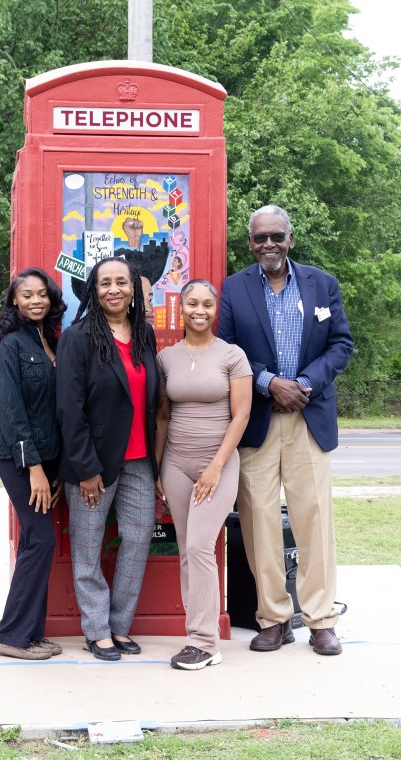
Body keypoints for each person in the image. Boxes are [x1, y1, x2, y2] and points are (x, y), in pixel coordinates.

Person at [217, 204, 354, 656]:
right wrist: (269, 383)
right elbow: (227, 348)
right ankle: (273, 618)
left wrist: (306, 384)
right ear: (251, 243)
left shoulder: (322, 283)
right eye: (261, 238)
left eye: (277, 236)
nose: (269, 245)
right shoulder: (234, 289)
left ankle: (320, 619)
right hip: (256, 418)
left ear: (290, 239)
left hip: (309, 418)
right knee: (258, 522)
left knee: (313, 518)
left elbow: (341, 344)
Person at [56, 256, 159, 661]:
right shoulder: (78, 337)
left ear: (134, 288)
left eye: (121, 282)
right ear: (93, 291)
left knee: (137, 540)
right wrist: (86, 469)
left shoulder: (144, 336)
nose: (113, 289)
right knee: (88, 546)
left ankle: (119, 625)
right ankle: (96, 630)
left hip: (139, 461)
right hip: (94, 464)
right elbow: (69, 407)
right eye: (104, 283)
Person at [155, 280, 251, 670]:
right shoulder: (167, 358)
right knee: (186, 549)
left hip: (220, 462)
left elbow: (241, 414)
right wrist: (157, 468)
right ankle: (196, 633)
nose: (200, 310)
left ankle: (205, 642)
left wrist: (215, 466)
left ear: (215, 310)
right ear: (181, 307)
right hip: (175, 463)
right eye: (192, 303)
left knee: (200, 546)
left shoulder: (232, 356)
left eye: (207, 304)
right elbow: (162, 416)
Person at [0, 268, 66, 660]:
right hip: (19, 461)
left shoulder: (52, 339)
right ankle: (10, 635)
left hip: (50, 463)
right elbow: (13, 413)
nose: (35, 301)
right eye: (27, 296)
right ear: (15, 302)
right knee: (40, 540)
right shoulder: (11, 346)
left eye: (42, 295)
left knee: (37, 543)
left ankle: (31, 634)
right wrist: (35, 468)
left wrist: (57, 470)